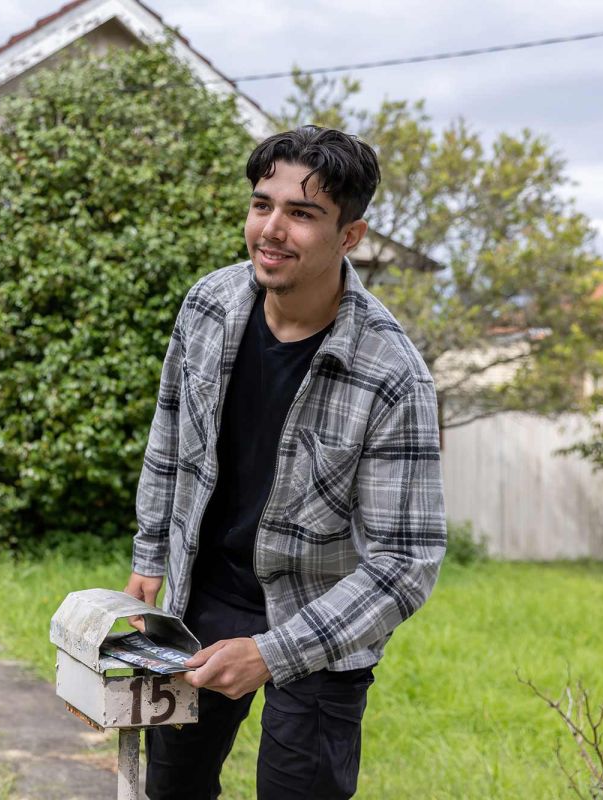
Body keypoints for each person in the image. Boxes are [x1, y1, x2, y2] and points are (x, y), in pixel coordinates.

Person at [123, 126, 446, 799]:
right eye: (262, 204)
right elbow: (169, 434)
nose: (272, 228)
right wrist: (150, 556)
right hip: (202, 603)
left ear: (349, 236)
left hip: (323, 622)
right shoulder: (208, 307)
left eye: (302, 214)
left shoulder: (392, 373)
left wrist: (273, 653)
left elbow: (405, 562)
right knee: (170, 790)